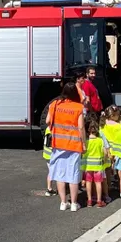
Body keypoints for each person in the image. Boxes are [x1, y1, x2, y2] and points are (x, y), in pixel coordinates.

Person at [46, 82, 86, 211]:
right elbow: (80, 127)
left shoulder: (54, 105)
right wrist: (83, 143)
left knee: (60, 173)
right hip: (74, 144)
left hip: (58, 144)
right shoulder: (78, 107)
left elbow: (47, 121)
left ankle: (63, 203)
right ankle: (74, 203)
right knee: (73, 174)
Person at [83, 116, 108, 208]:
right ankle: (99, 200)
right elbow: (105, 152)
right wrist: (104, 159)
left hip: (88, 165)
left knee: (88, 182)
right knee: (98, 182)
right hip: (98, 164)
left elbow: (83, 153)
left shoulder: (86, 141)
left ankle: (89, 200)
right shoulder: (100, 141)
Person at [42, 126, 56, 196]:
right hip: (52, 154)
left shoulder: (47, 128)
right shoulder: (53, 129)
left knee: (51, 171)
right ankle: (49, 189)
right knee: (53, 172)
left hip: (46, 153)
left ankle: (49, 189)